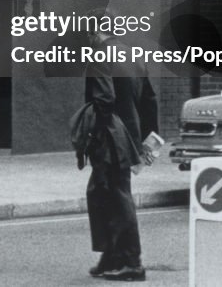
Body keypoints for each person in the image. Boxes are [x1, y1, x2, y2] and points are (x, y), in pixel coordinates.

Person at [84, 14, 158, 282]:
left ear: (95, 34)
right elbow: (149, 100)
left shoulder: (99, 54)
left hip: (109, 137)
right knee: (99, 191)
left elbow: (104, 98)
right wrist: (150, 140)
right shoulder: (133, 54)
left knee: (116, 194)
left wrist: (94, 131)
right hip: (130, 137)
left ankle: (132, 261)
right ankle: (111, 255)